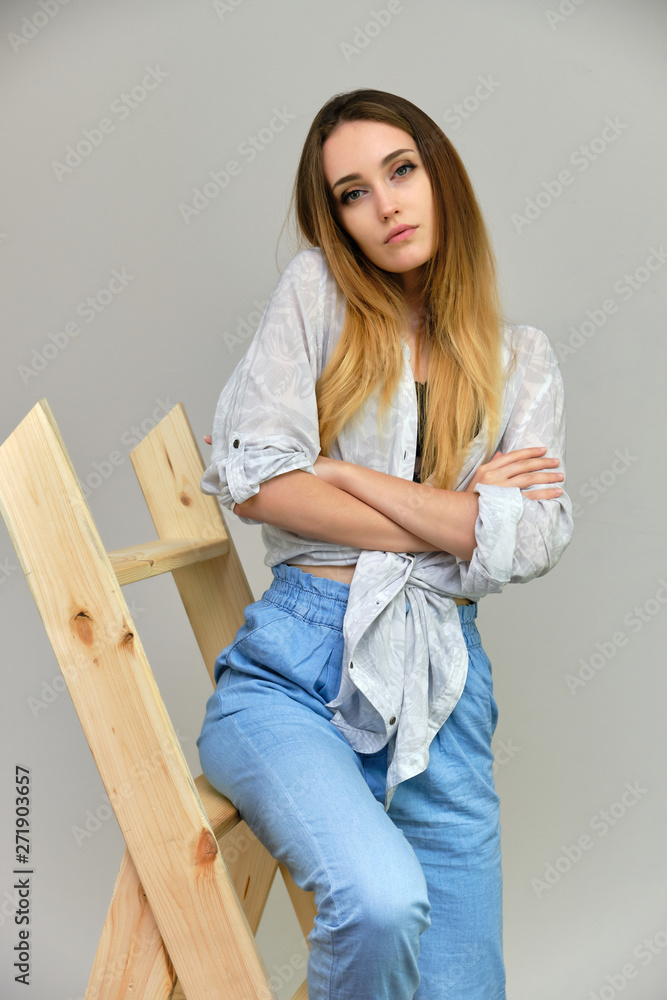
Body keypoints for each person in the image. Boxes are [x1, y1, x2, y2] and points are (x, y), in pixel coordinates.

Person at [197, 87, 574, 1000]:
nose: (385, 206)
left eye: (400, 172)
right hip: (293, 674)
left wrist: (343, 474)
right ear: (335, 220)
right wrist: (457, 514)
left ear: (438, 174)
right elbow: (256, 481)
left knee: (464, 986)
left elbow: (531, 540)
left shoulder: (520, 360)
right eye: (352, 193)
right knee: (378, 902)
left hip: (443, 691)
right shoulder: (316, 295)